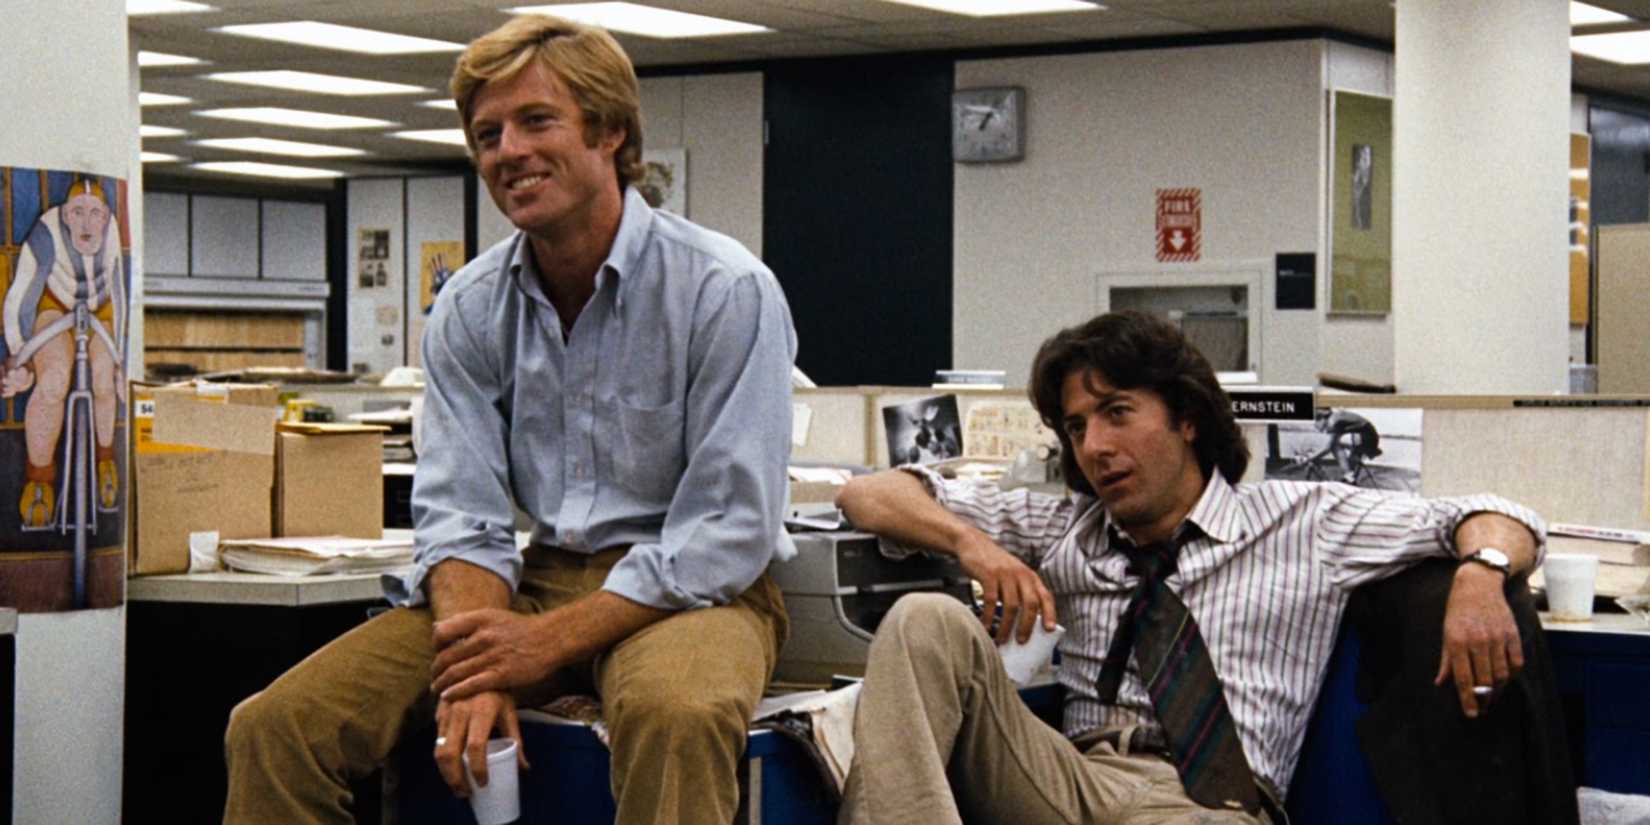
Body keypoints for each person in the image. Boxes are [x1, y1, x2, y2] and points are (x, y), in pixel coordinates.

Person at [223, 14, 798, 825]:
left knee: (677, 716)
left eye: (536, 121)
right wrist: (480, 657)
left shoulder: (723, 290)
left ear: (609, 132)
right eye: (487, 134)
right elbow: (461, 512)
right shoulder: (470, 304)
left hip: (697, 594)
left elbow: (727, 531)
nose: (508, 152)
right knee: (275, 727)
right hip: (536, 579)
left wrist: (545, 644)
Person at [835, 310, 1545, 825]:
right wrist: (972, 544)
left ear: (1188, 418)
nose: (1094, 445)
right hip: (1069, 777)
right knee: (923, 619)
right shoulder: (1065, 526)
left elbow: (1497, 515)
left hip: (1207, 805)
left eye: (1116, 412)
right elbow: (866, 493)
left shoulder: (1302, 521)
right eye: (1077, 426)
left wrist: (1481, 573)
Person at [1, 176, 126, 527]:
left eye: (95, 214)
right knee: (54, 378)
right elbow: (19, 297)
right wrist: (19, 359)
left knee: (103, 379)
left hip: (98, 308)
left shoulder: (111, 232)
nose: (87, 223)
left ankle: (104, 460)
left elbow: (119, 295)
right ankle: (39, 479)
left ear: (104, 217)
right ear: (66, 216)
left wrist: (121, 365)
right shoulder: (45, 233)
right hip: (53, 304)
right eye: (78, 213)